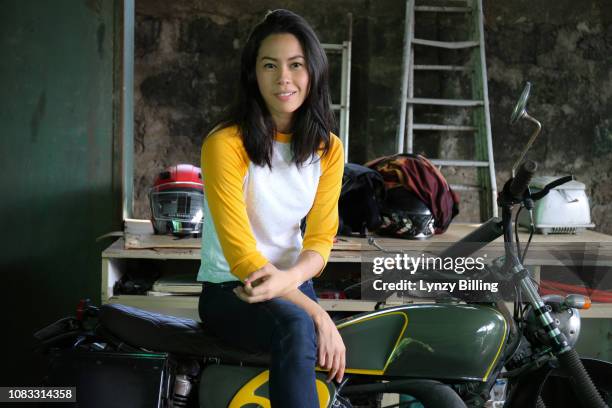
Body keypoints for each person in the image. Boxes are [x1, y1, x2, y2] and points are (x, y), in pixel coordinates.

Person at [197, 9, 345, 408]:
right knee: (300, 325)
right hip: (232, 288)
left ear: (312, 72)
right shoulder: (225, 144)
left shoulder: (328, 149)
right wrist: (316, 313)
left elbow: (319, 240)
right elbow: (243, 257)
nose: (284, 78)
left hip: (293, 284)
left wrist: (295, 285)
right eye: (270, 65)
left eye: (296, 65)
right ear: (253, 74)